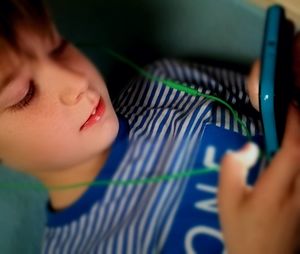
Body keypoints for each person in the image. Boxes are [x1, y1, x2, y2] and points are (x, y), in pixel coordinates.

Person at [0, 0, 299, 253]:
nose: (76, 82)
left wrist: (281, 93)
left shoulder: (165, 83)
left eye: (58, 47)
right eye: (24, 94)